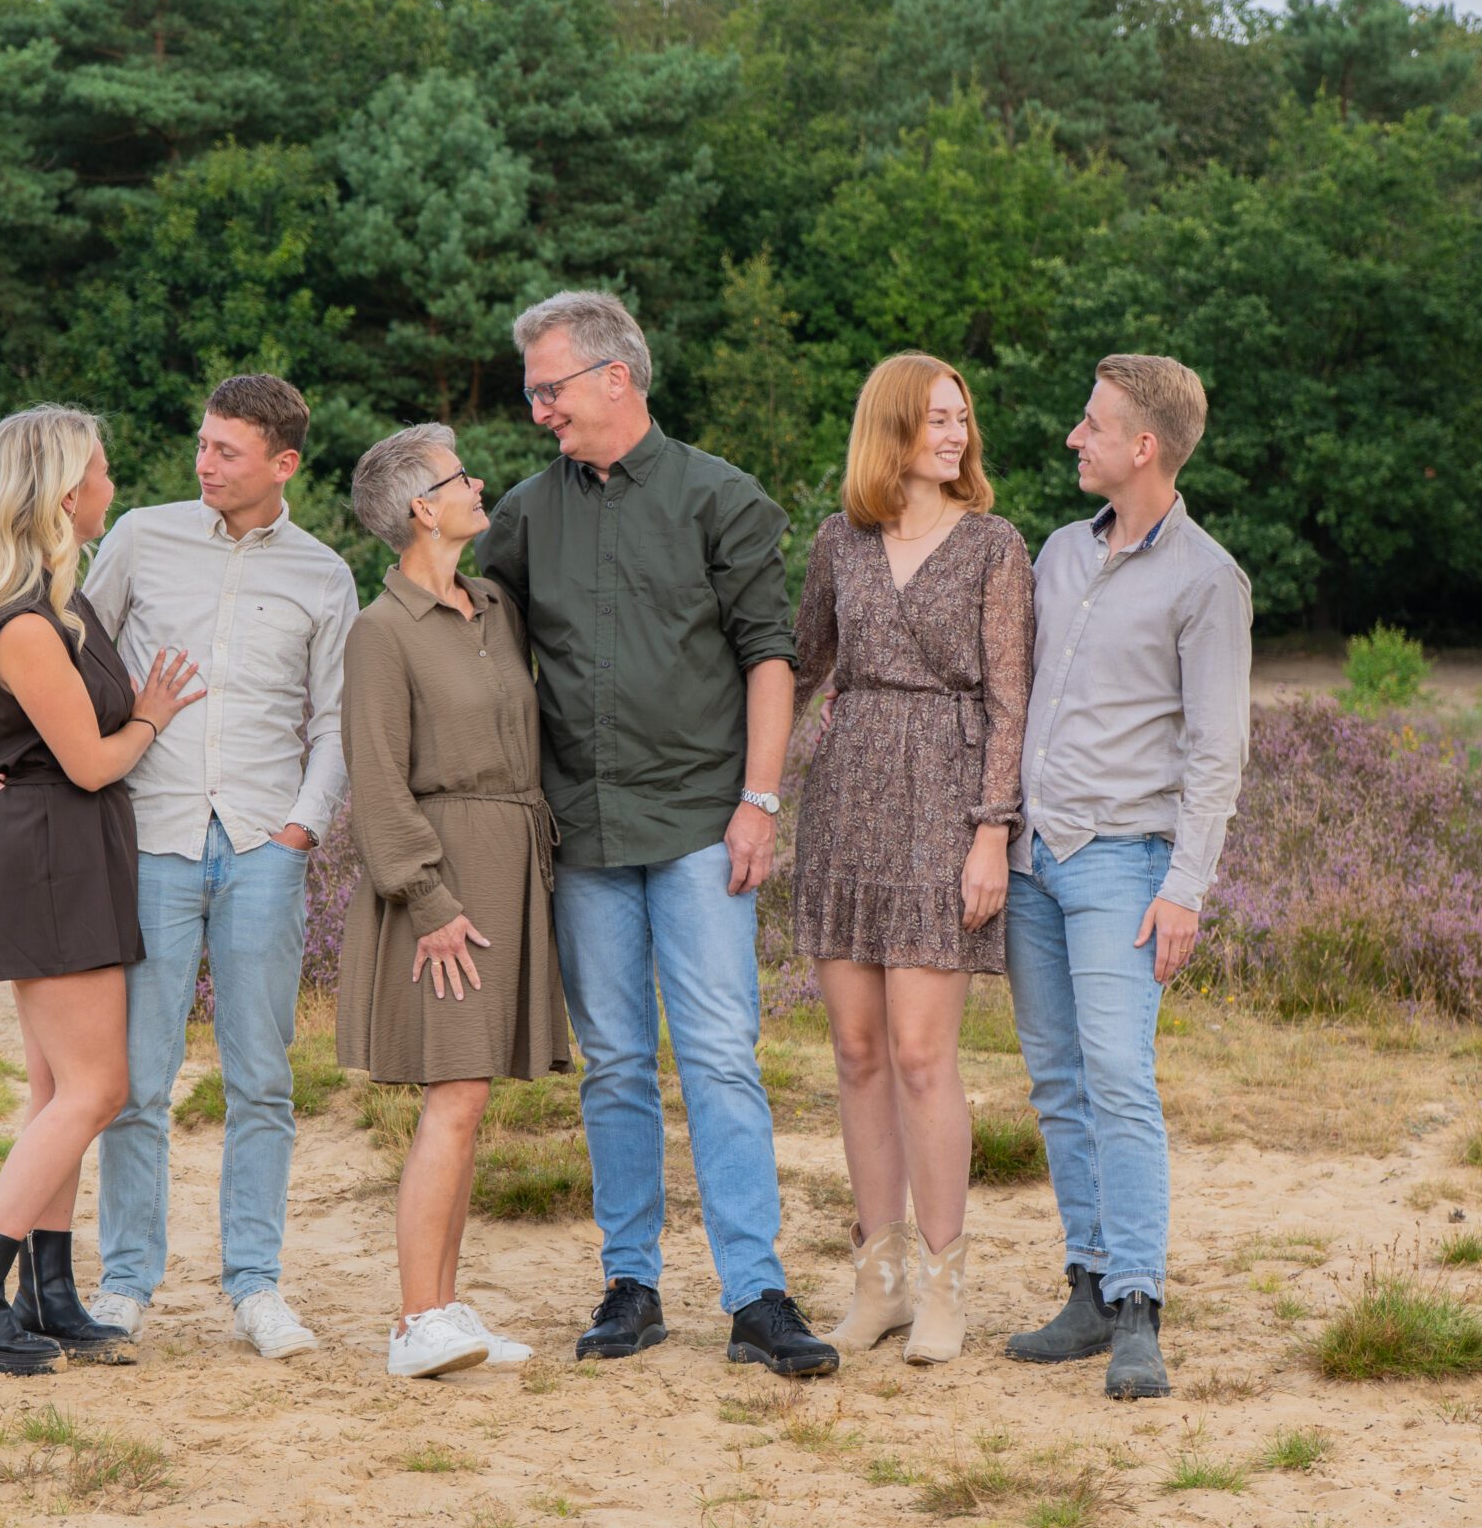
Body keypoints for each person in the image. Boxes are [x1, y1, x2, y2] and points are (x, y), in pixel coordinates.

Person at [477, 290, 839, 1379]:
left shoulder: (720, 497)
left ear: (615, 377)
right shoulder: (524, 515)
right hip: (581, 830)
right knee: (617, 1066)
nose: (539, 410)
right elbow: (477, 644)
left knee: (721, 1056)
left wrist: (759, 802)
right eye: (532, 393)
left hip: (699, 825)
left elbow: (769, 657)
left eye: (550, 388)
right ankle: (629, 1285)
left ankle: (756, 1294)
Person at [0, 374, 356, 1358]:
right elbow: (53, 645)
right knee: (133, 1080)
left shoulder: (323, 575)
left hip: (265, 847)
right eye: (203, 442)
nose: (203, 462)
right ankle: (125, 1281)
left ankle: (256, 1285)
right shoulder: (140, 537)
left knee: (261, 1078)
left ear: (283, 464)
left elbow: (334, 719)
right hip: (144, 843)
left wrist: (302, 829)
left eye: (227, 450)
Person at [0, 405, 206, 1374]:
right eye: (102, 471)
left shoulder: (60, 608)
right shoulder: (30, 625)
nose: (112, 486)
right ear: (64, 490)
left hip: (70, 852)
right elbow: (87, 762)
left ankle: (48, 1293)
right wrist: (151, 717)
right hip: (51, 857)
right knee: (98, 1088)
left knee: (54, 1091)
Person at [1002, 354, 1252, 1399]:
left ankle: (1140, 1305)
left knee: (1118, 1074)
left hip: (1123, 865)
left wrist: (1184, 888)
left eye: (1093, 425)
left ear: (1143, 447)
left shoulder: (1207, 580)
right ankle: (1089, 1287)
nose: (1075, 437)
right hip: (1032, 862)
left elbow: (1216, 751)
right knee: (1058, 1081)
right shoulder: (1059, 552)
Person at [792, 353, 1033, 1365]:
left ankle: (943, 1284)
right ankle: (878, 1283)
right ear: (890, 427)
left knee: (925, 1056)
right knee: (856, 1054)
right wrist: (747, 788)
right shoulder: (837, 542)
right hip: (845, 804)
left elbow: (1010, 702)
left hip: (945, 803)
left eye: (961, 418)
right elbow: (800, 667)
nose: (956, 434)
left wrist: (992, 831)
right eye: (937, 418)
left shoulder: (993, 546)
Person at [335, 424, 573, 1379]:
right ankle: (414, 1319)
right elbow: (378, 780)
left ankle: (443, 1303)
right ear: (421, 508)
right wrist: (428, 901)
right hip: (443, 880)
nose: (480, 485)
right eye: (460, 476)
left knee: (470, 1098)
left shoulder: (495, 607)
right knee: (456, 1094)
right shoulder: (380, 630)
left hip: (512, 864)